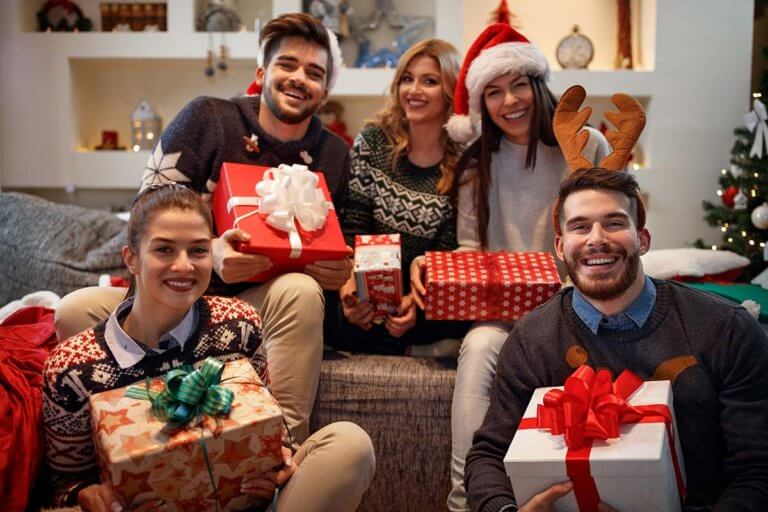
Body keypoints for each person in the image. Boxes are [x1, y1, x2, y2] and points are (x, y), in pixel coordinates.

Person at [54, 12, 353, 450]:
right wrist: (208, 250)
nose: (298, 78)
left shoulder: (334, 154)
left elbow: (334, 242)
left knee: (301, 291)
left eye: (314, 72)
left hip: (257, 313)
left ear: (325, 91)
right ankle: (124, 450)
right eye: (287, 64)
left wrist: (337, 273)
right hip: (171, 299)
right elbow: (144, 214)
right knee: (74, 311)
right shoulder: (208, 118)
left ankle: (278, 454)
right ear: (261, 72)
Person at [42, 184, 375, 512]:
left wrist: (279, 468)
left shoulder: (239, 326)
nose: (185, 266)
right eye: (164, 250)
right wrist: (87, 496)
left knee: (350, 444)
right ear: (131, 259)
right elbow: (62, 487)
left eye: (198, 251)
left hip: (243, 504)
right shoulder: (72, 367)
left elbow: (262, 427)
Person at [464, 166, 768, 511]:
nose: (597, 238)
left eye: (614, 223)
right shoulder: (532, 339)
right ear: (561, 247)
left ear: (643, 239)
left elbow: (757, 471)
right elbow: (487, 456)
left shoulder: (726, 328)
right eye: (580, 226)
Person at [408, 24, 611, 511]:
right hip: (502, 315)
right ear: (482, 104)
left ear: (539, 84)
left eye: (519, 84)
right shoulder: (477, 164)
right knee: (478, 347)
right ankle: (466, 503)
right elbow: (468, 251)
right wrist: (428, 265)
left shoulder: (588, 147)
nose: (509, 101)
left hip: (576, 308)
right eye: (493, 92)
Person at [328, 38, 469, 355]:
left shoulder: (463, 162)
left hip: (420, 298)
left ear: (450, 92)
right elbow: (352, 227)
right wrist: (349, 290)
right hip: (363, 287)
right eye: (407, 78)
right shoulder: (373, 141)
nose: (414, 90)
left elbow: (447, 251)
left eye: (429, 81)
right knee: (322, 304)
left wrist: (416, 305)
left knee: (462, 312)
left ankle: (407, 336)